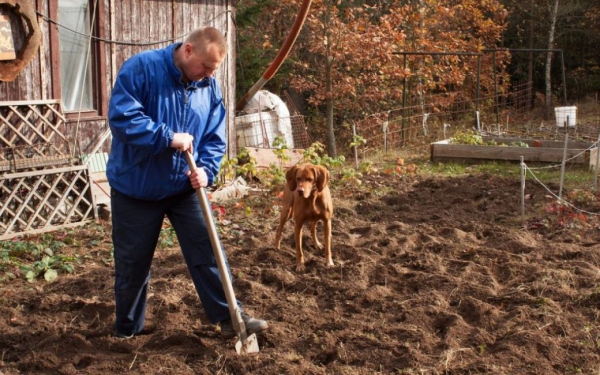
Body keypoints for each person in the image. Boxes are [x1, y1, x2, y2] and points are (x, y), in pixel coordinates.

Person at [106, 26, 267, 339]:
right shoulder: (141, 69)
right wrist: (167, 137)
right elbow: (123, 118)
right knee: (133, 265)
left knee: (209, 252)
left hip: (183, 187)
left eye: (213, 70)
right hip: (136, 188)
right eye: (205, 67)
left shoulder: (209, 87)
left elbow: (215, 136)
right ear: (189, 50)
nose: (208, 75)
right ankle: (127, 331)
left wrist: (207, 169)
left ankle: (231, 318)